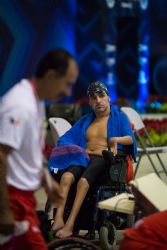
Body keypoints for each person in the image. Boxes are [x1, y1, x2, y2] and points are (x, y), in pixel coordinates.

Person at [0, 48, 79, 250]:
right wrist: (4, 210)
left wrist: (47, 182)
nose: (68, 92)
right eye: (67, 83)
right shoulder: (19, 106)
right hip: (13, 200)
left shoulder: (36, 100)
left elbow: (33, 151)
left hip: (23, 199)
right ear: (51, 75)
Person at [49, 81, 137, 239]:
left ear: (108, 97)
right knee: (66, 177)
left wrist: (115, 140)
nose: (98, 100)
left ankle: (70, 224)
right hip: (83, 158)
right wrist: (73, 150)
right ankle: (59, 219)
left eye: (101, 96)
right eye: (94, 98)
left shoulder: (119, 118)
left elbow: (130, 139)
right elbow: (65, 139)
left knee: (83, 182)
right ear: (89, 102)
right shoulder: (85, 121)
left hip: (103, 158)